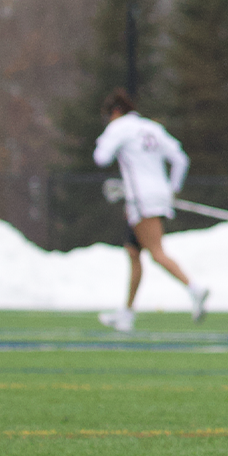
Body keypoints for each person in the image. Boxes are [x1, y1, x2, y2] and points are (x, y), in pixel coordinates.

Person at [92, 90, 203, 332]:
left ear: (116, 112)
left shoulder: (119, 127)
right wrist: (172, 189)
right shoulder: (151, 127)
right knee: (133, 252)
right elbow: (180, 159)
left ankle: (195, 289)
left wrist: (108, 139)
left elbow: (101, 157)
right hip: (152, 196)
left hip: (141, 198)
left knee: (156, 252)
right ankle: (127, 313)